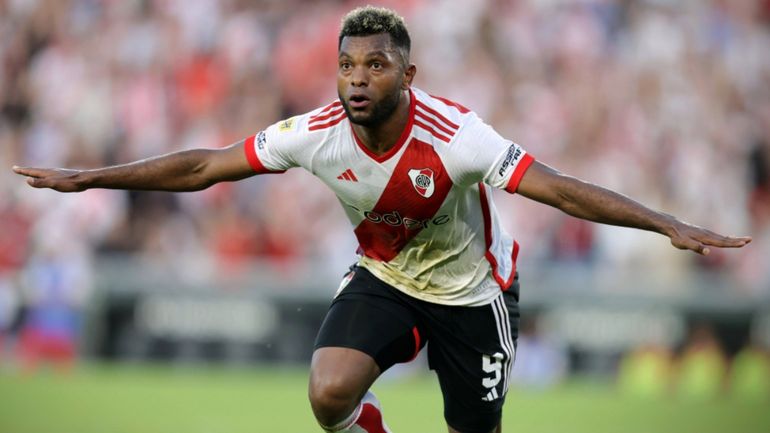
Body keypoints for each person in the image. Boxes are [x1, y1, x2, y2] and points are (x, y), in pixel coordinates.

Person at [11, 6, 751, 433]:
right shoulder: (316, 130)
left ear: (408, 73)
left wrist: (665, 222)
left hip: (473, 294)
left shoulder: (456, 134)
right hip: (387, 277)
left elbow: (554, 188)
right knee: (328, 393)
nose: (357, 79)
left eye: (375, 66)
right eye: (347, 66)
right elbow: (207, 165)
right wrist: (90, 177)